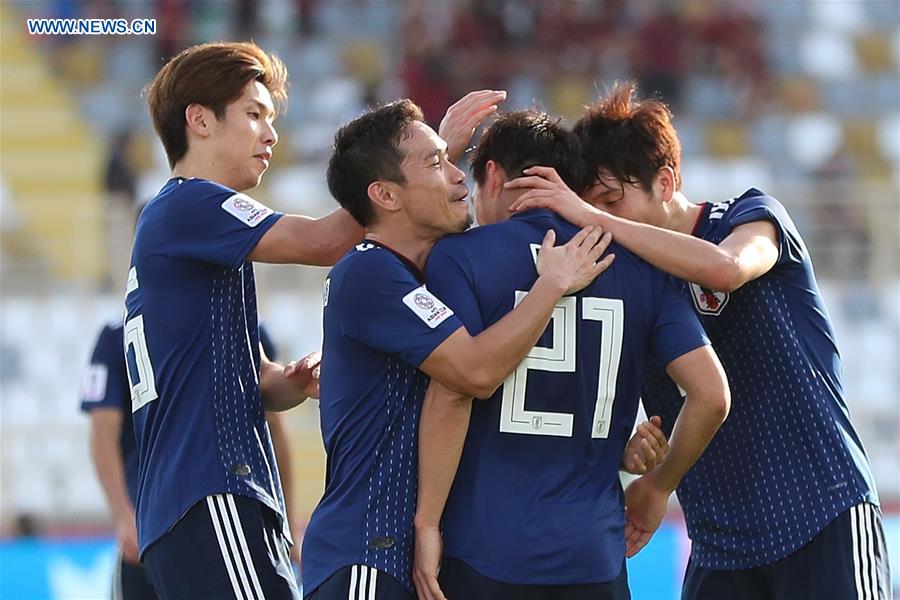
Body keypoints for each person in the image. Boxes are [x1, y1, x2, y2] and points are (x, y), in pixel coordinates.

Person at [506, 82, 892, 600]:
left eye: (613, 201)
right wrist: (633, 447)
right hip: (720, 543)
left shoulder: (749, 216)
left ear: (665, 183)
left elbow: (727, 269)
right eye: (588, 206)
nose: (599, 220)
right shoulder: (627, 280)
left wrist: (660, 485)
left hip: (821, 511)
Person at [301, 98, 614, 600]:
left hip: (407, 559)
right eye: (437, 162)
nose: (458, 176)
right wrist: (550, 287)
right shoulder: (369, 271)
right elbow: (473, 373)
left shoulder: (416, 272)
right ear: (384, 195)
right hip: (368, 554)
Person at [411, 110, 730, 600]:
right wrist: (657, 484)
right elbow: (711, 394)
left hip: (486, 549)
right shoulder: (642, 265)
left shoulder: (461, 256)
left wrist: (427, 522)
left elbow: (453, 395)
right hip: (593, 557)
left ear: (493, 174)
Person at [126, 42, 363, 599]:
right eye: (254, 114)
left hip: (190, 505)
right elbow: (325, 241)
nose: (270, 134)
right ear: (200, 120)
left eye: (271, 119)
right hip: (211, 494)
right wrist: (421, 166)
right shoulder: (192, 204)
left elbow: (244, 379)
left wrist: (289, 382)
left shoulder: (186, 225)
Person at [81, 320, 299, 599]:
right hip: (158, 523)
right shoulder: (116, 338)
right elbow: (103, 429)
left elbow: (275, 429)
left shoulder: (240, 318)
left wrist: (289, 525)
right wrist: (123, 517)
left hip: (218, 514)